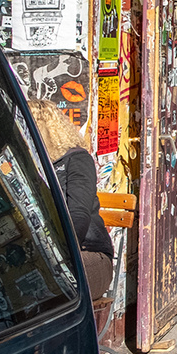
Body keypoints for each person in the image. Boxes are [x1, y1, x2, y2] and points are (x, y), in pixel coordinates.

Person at [29, 105, 116, 303]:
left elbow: (79, 215)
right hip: (51, 257)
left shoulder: (77, 159)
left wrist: (58, 253)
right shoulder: (38, 165)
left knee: (44, 286)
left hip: (89, 254)